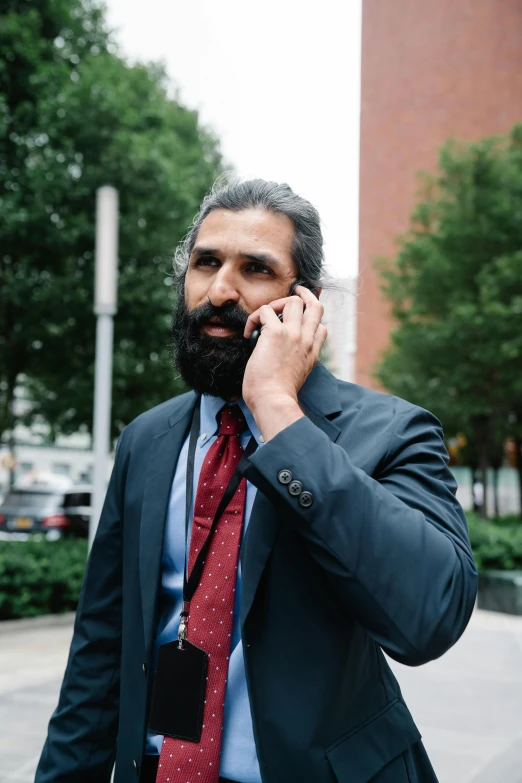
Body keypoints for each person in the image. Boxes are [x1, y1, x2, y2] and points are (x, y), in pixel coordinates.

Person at [36, 179, 478, 783]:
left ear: (306, 303)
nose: (220, 291)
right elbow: (100, 651)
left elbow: (429, 616)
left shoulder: (394, 431)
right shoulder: (147, 438)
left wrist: (276, 409)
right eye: (206, 262)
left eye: (256, 269)